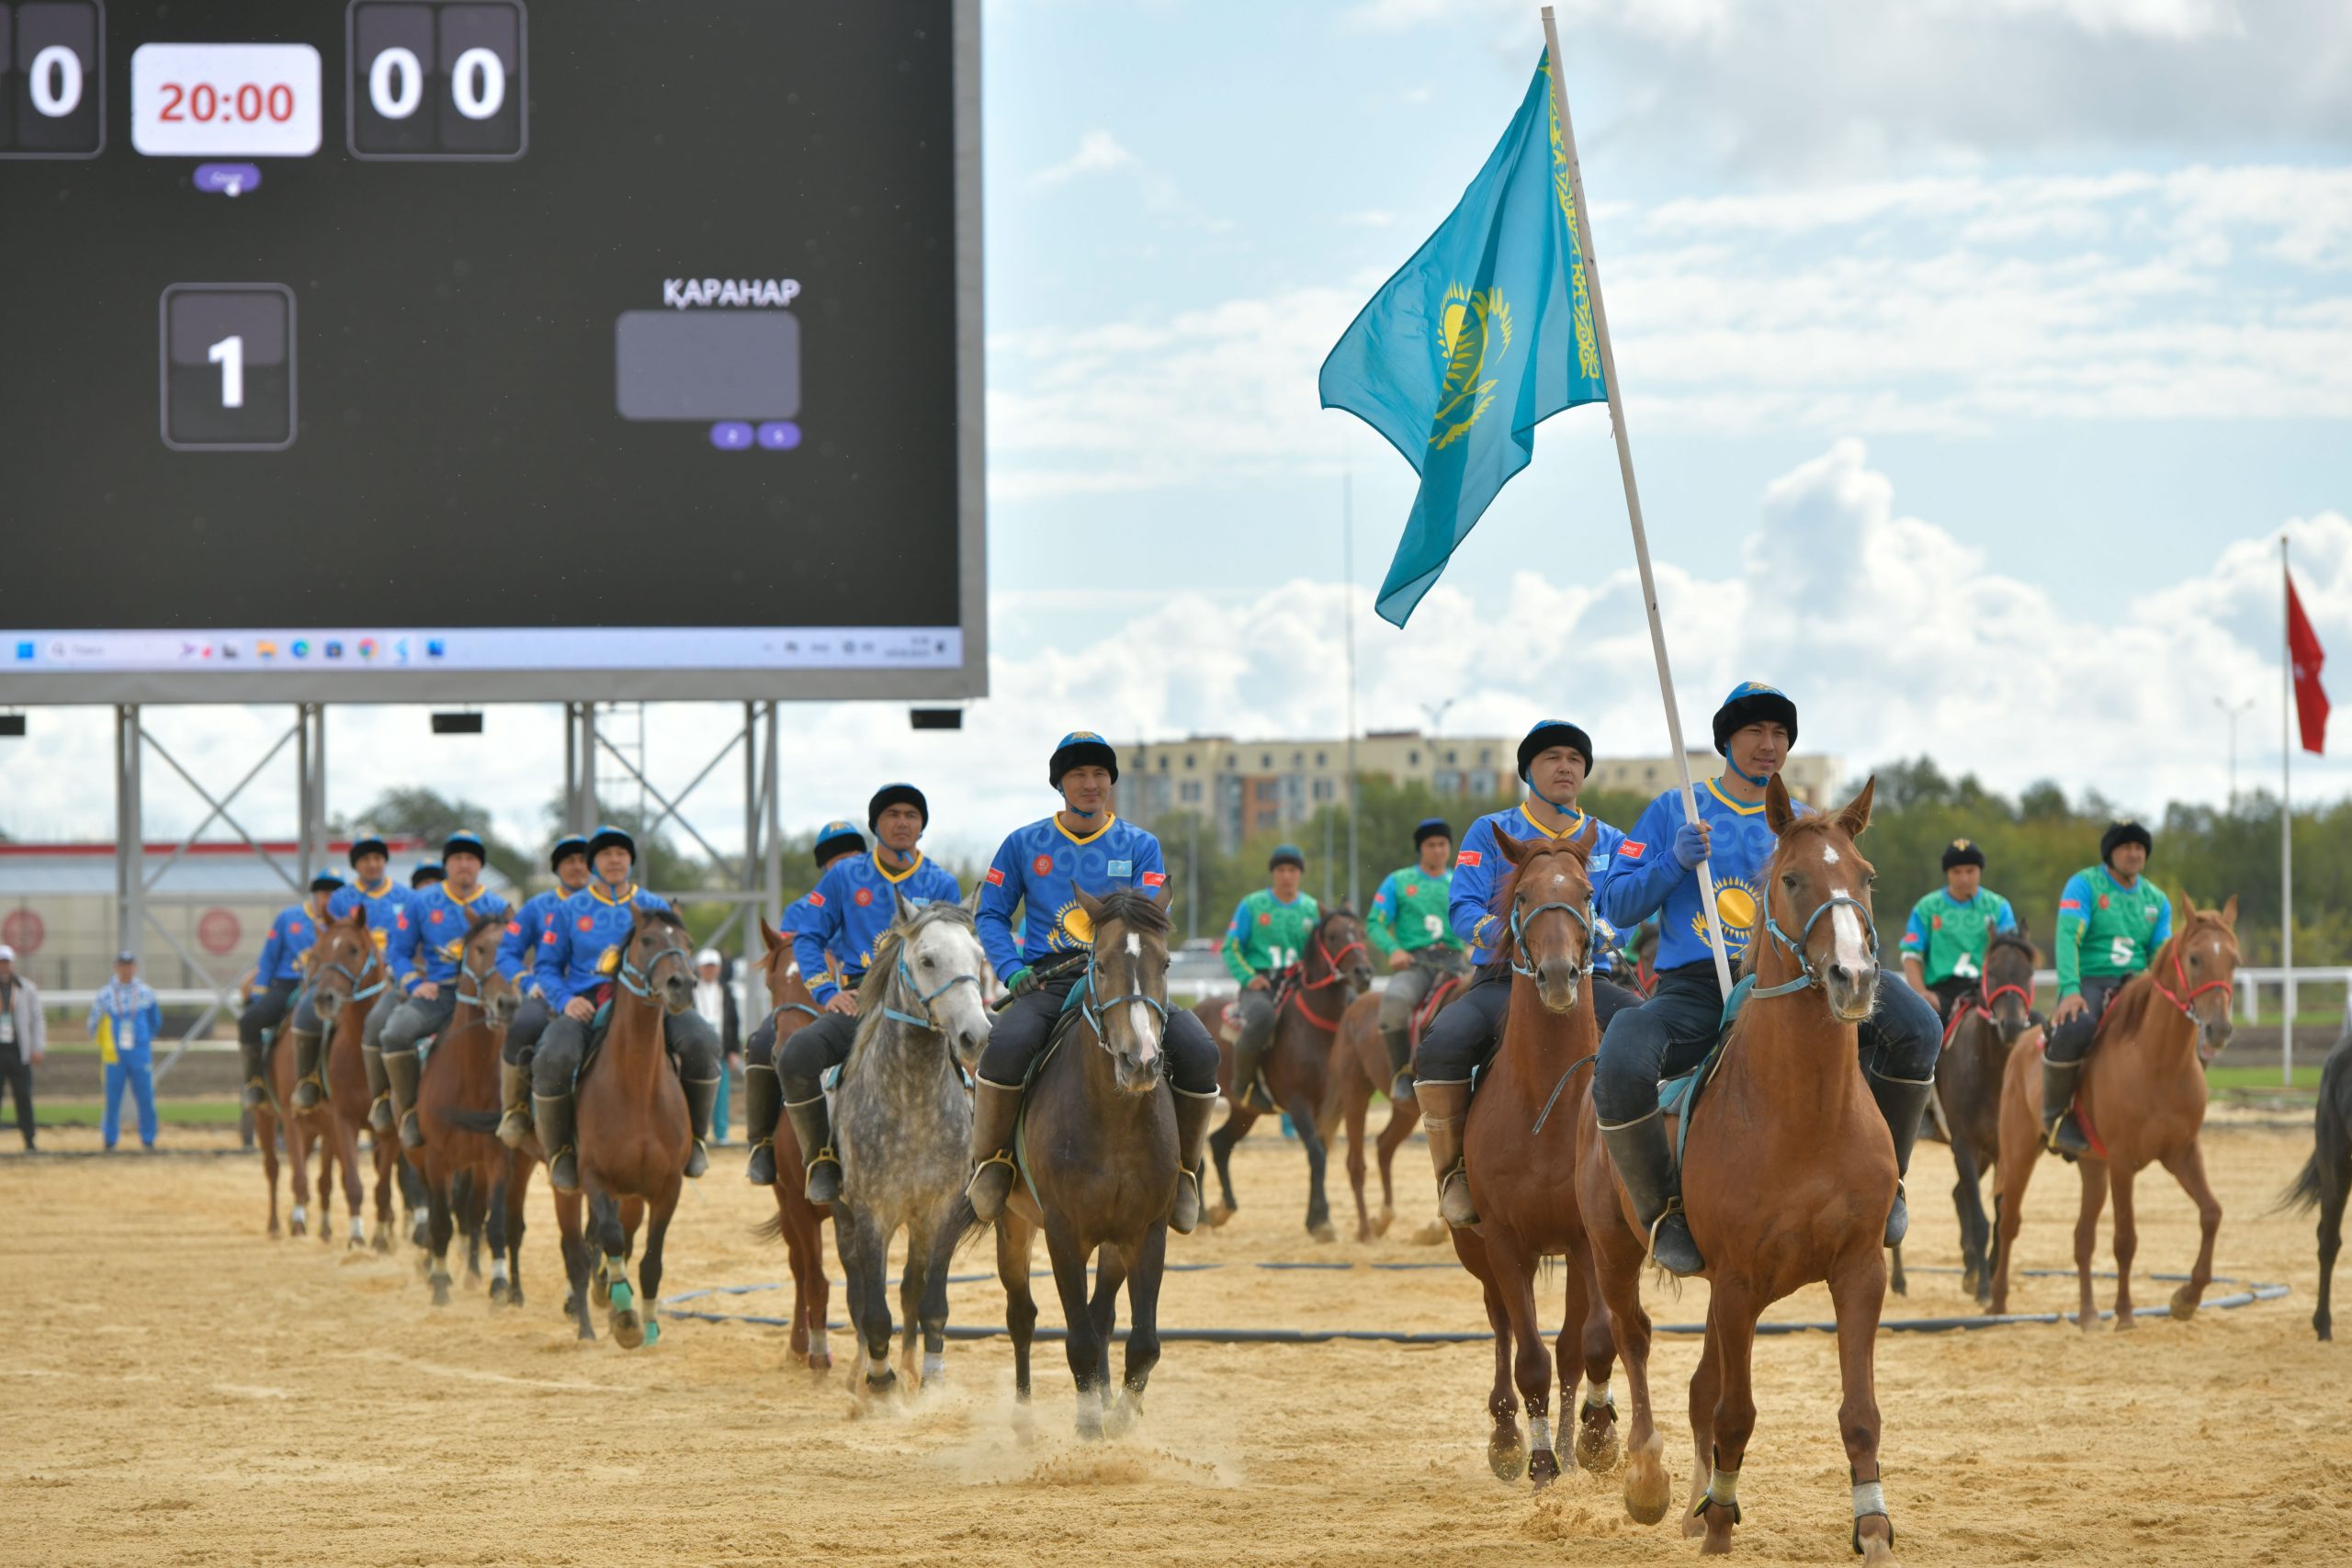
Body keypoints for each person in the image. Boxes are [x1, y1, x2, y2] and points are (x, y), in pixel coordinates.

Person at [1594, 682, 1940, 1276]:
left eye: (1779, 733)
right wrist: (1671, 861)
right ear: (1726, 740)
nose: (1768, 743)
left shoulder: (1809, 822)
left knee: (1919, 1027)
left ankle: (1888, 1183)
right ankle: (1663, 1210)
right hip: (1697, 984)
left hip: (1804, 981)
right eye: (1754, 731)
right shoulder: (1674, 810)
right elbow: (1617, 905)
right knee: (1623, 1053)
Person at [968, 731, 1223, 1234]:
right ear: (1060, 785)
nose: (1091, 783)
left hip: (1125, 983)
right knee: (1006, 1045)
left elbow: (1153, 919)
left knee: (1200, 1051)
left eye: (1100, 774)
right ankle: (993, 1165)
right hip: (1049, 982)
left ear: (1111, 782)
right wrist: (1011, 968)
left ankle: (1185, 1173)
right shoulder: (1023, 844)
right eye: (1079, 775)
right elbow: (992, 914)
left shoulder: (1140, 845)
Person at [1416, 720, 1641, 1225]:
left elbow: (1629, 910)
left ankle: (1653, 1178)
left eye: (1575, 759)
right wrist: (1514, 936)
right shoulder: (1490, 832)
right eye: (1552, 757)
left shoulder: (1611, 839)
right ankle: (1453, 1172)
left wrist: (1601, 931)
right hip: (1504, 981)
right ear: (1528, 771)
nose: (1566, 766)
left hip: (1591, 980)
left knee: (1656, 1038)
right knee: (1442, 1043)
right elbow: (1463, 910)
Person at [775, 785, 963, 1202]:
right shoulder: (844, 876)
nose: (902, 822)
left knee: (984, 1058)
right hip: (861, 999)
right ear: (876, 824)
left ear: (921, 825)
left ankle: (980, 1161)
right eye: (892, 814)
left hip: (927, 1006)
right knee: (797, 1056)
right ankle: (821, 1158)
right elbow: (808, 937)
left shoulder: (941, 881)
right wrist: (826, 991)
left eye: (911, 815)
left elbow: (954, 948)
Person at [529, 825, 721, 1193]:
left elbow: (678, 953)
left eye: (622, 853)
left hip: (651, 1005)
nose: (615, 860)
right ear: (593, 863)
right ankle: (561, 1152)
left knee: (703, 1042)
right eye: (606, 854)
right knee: (553, 1056)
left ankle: (694, 1139)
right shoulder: (569, 909)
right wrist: (566, 1000)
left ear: (631, 860)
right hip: (586, 1006)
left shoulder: (656, 906)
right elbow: (546, 967)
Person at [741, 818, 865, 1185]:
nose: (843, 863)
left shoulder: (872, 902)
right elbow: (794, 962)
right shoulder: (802, 910)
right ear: (824, 866)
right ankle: (761, 1142)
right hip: (811, 1004)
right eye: (834, 857)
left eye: (852, 855)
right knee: (762, 1043)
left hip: (865, 999)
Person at [2041, 820, 2174, 1157]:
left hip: (2139, 984)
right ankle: (2056, 1117)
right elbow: (2068, 937)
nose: (2134, 854)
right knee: (2078, 1028)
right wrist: (2070, 989)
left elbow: (2161, 955)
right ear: (2110, 854)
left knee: (2177, 1030)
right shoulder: (2084, 885)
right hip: (2090, 980)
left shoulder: (2157, 900)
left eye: (2140, 849)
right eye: (2127, 848)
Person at [379, 831, 512, 1149]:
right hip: (438, 994)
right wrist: (413, 982)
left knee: (532, 1035)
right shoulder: (421, 902)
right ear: (447, 865)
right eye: (457, 859)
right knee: (394, 1033)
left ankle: (518, 1114)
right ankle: (409, 1111)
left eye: (470, 859)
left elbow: (514, 953)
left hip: (488, 998)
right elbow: (397, 952)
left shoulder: (498, 905)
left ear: (479, 865)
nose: (464, 865)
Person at [289, 832, 409, 1111]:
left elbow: (411, 938)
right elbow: (329, 939)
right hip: (347, 977)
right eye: (365, 859)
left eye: (378, 858)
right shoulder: (341, 899)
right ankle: (308, 1081)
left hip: (395, 975)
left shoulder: (406, 896)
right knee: (307, 1011)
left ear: (384, 862)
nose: (372, 864)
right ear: (356, 865)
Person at [495, 833, 592, 1146]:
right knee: (523, 1026)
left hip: (598, 992)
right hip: (549, 993)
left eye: (582, 860)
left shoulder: (608, 905)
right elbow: (507, 952)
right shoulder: (537, 907)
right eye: (569, 861)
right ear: (557, 868)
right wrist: (527, 981)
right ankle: (516, 1109)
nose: (577, 866)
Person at [1366, 818, 1471, 1106]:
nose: (1437, 850)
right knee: (1395, 1004)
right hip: (1416, 963)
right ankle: (1401, 1073)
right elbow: (1375, 922)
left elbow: (1477, 919)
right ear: (1420, 849)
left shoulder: (1460, 881)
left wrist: (1475, 946)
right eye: (1431, 845)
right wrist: (1393, 949)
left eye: (1442, 844)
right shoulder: (1398, 882)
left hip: (1456, 961)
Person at [1220, 845, 1321, 1111]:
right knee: (1262, 1016)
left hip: (1299, 983)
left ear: (1300, 874)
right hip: (1260, 984)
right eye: (1281, 870)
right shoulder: (1252, 905)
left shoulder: (1312, 908)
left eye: (1292, 870)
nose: (1286, 876)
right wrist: (1248, 977)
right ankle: (1243, 1084)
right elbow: (1231, 946)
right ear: (1273, 874)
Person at [237, 873, 344, 1110]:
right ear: (315, 894)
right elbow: (268, 959)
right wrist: (258, 996)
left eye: (336, 894)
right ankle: (254, 1083)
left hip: (327, 987)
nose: (330, 898)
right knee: (249, 1021)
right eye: (325, 893)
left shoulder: (343, 923)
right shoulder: (288, 918)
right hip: (288, 985)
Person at [1899, 839, 2021, 1023]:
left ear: (1980, 870)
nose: (1964, 878)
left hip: (1988, 989)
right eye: (1956, 872)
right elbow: (1911, 955)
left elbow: (2012, 956)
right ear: (1947, 873)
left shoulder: (1999, 907)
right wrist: (1921, 993)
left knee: (2027, 1026)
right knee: (1915, 1033)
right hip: (1941, 994)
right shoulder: (1926, 908)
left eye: (1970, 871)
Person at [90, 951, 163, 1152]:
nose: (126, 969)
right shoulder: (105, 994)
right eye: (122, 965)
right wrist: (105, 1044)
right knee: (112, 1097)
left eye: (129, 964)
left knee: (146, 1096)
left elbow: (155, 1022)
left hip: (139, 1052)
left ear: (135, 967)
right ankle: (110, 1139)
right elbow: (93, 1023)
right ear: (116, 967)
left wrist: (143, 1039)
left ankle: (148, 1139)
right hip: (114, 1054)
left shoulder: (146, 993)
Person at [692, 949, 741, 1145]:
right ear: (699, 968)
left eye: (713, 967)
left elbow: (734, 1022)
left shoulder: (726, 991)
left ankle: (721, 1133)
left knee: (722, 1094)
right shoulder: (691, 989)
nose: (710, 971)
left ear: (719, 968)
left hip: (721, 1049)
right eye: (706, 967)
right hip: (695, 1051)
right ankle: (698, 1132)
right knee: (696, 1092)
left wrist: (733, 1050)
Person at [0, 943, 45, 1152]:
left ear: (11, 963)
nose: (3, 966)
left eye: (6, 962)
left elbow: (37, 1020)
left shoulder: (26, 988)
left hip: (19, 1050)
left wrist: (38, 1047)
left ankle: (29, 1139)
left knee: (24, 1096)